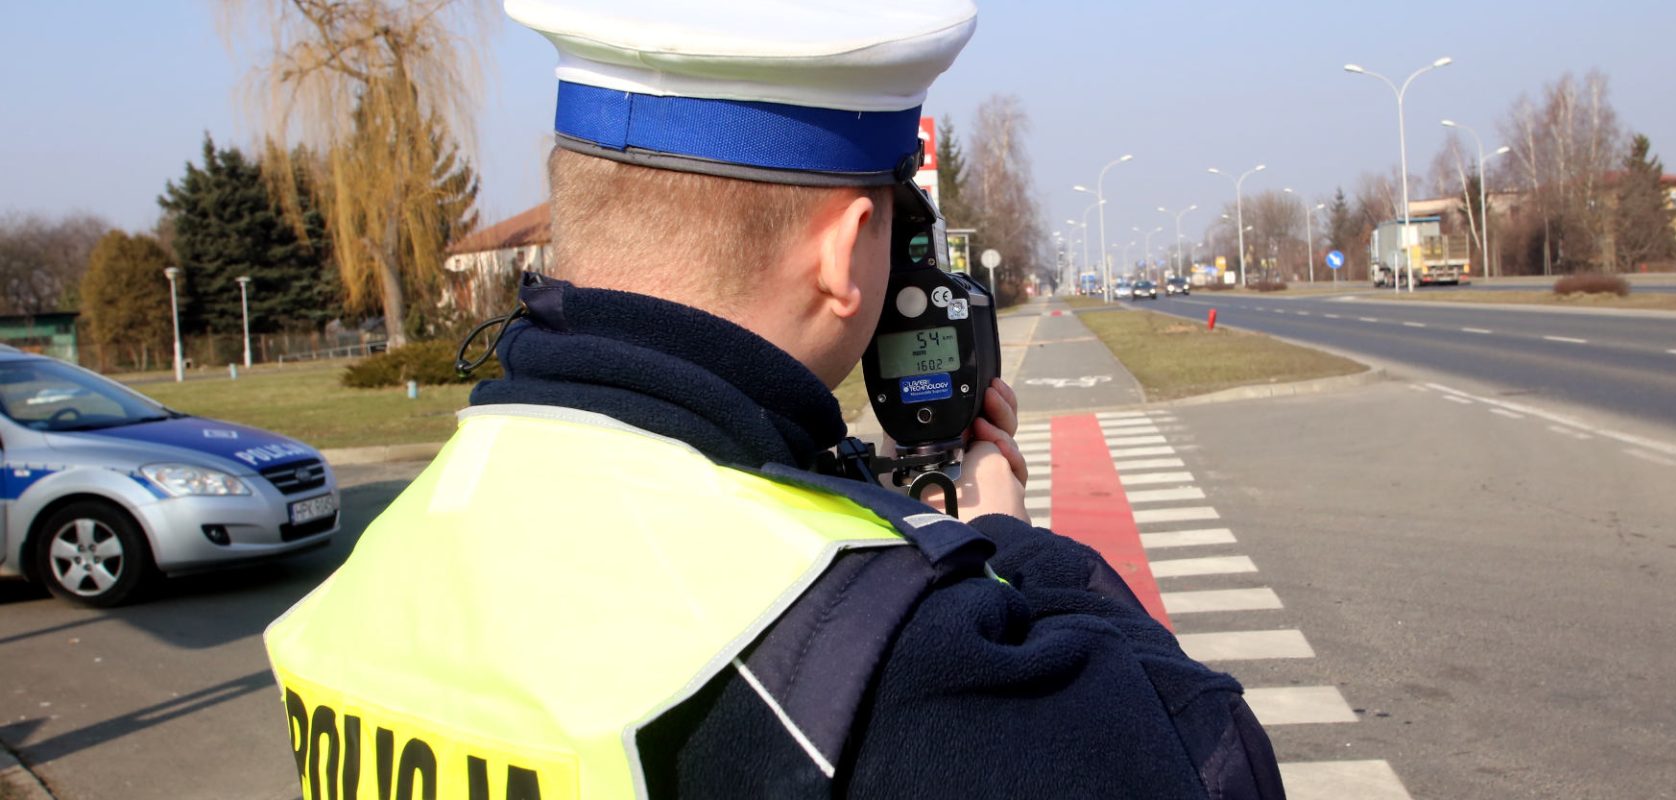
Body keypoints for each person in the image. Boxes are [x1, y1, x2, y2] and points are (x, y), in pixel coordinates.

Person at [264, 1, 1285, 798]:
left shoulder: (381, 566)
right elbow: (1211, 763)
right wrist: (1012, 547)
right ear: (846, 253)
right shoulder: (886, 650)